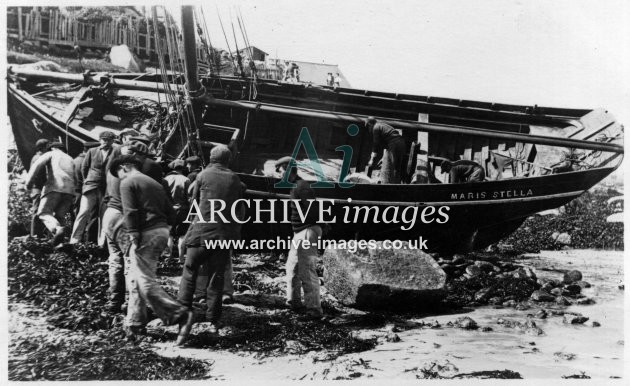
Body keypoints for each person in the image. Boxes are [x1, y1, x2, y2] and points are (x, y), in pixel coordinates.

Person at [112, 154, 193, 341]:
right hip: (161, 231)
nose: (119, 178)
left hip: (145, 233)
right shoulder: (155, 183)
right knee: (137, 278)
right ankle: (135, 325)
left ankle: (180, 314)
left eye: (118, 173)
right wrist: (165, 228)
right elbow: (170, 211)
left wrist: (133, 233)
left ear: (124, 167)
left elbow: (130, 211)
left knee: (144, 281)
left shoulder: (128, 182)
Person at [177, 145, 244, 345]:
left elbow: (193, 204)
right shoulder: (234, 178)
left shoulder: (203, 175)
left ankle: (183, 324)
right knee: (216, 278)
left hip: (201, 233)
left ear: (211, 158)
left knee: (189, 273)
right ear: (228, 160)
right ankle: (213, 322)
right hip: (223, 237)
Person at [275, 156, 323, 319]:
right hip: (301, 232)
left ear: (289, 169)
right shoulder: (297, 186)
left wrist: (316, 227)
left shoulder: (301, 187)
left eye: (280, 170)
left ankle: (314, 309)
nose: (279, 174)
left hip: (306, 232)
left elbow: (313, 209)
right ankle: (293, 301)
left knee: (307, 271)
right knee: (292, 267)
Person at [70, 131, 120, 244]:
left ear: (113, 141)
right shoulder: (92, 151)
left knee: (103, 216)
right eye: (104, 139)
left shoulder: (116, 152)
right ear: (100, 140)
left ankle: (101, 243)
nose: (106, 142)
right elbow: (84, 168)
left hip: (106, 189)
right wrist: (87, 181)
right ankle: (74, 240)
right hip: (90, 186)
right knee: (83, 212)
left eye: (109, 140)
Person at [26, 142, 76, 246]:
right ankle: (62, 243)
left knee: (43, 213)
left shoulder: (51, 154)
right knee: (59, 216)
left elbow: (36, 166)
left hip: (54, 187)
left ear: (53, 148)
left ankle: (57, 229)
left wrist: (28, 184)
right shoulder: (71, 159)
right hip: (70, 191)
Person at [365, 116, 407, 184]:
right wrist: (383, 157)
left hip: (394, 144)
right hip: (401, 143)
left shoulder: (375, 127)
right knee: (397, 167)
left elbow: (376, 144)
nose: (369, 130)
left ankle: (392, 186)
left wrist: (371, 159)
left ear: (370, 124)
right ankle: (398, 184)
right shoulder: (382, 125)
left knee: (392, 167)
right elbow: (386, 144)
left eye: (368, 127)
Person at [164, 159, 191, 260]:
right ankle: (181, 258)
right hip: (182, 210)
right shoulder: (186, 180)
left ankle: (169, 256)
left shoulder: (166, 178)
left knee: (169, 234)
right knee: (182, 234)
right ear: (183, 168)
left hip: (169, 210)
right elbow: (189, 197)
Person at [27, 139, 50, 238]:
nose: (49, 147)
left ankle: (39, 234)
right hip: (38, 188)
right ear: (42, 147)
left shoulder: (40, 157)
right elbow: (35, 175)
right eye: (47, 145)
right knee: (36, 212)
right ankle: (35, 235)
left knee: (40, 211)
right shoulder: (38, 158)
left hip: (40, 187)